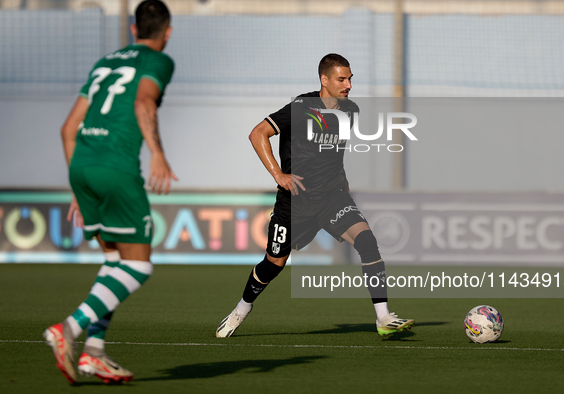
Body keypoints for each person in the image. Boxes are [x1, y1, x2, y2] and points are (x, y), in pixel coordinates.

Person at [216, 53, 414, 339]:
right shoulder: (301, 106)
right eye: (341, 79)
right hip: (295, 203)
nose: (348, 85)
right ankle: (241, 310)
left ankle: (383, 317)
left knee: (367, 241)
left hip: (331, 198)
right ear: (324, 80)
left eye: (350, 79)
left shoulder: (351, 111)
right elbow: (257, 133)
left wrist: (343, 179)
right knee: (274, 263)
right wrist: (278, 174)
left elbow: (336, 151)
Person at [43, 0, 176, 384]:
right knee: (138, 265)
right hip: (116, 168)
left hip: (81, 164)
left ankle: (94, 354)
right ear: (166, 33)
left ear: (133, 29)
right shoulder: (159, 61)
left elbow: (68, 128)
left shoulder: (104, 62)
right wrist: (158, 154)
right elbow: (143, 100)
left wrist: (77, 186)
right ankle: (68, 328)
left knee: (114, 262)